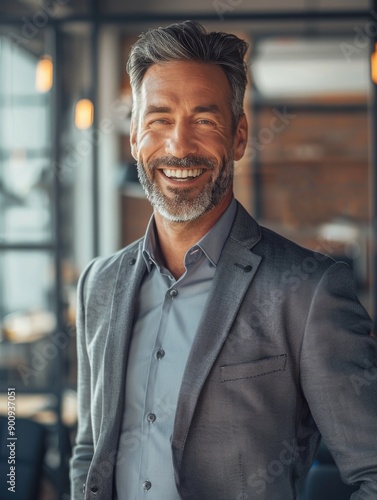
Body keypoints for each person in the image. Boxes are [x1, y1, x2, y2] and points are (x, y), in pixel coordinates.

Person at [70, 20, 377, 500]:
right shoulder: (98, 284)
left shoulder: (308, 292)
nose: (178, 145)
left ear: (238, 136)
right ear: (133, 136)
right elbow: (90, 449)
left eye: (205, 120)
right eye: (159, 120)